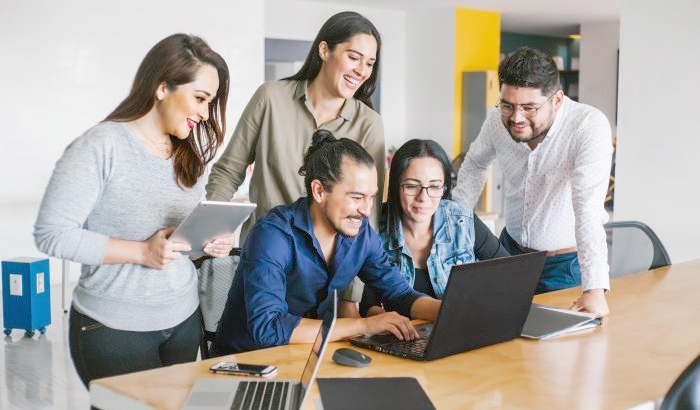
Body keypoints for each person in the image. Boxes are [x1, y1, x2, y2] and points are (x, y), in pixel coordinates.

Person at [33, 34, 232, 387]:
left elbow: (182, 246)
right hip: (112, 330)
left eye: (210, 102)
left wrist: (211, 242)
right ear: (161, 88)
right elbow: (52, 235)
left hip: (184, 321)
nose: (204, 114)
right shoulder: (100, 146)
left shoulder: (187, 156)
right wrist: (142, 252)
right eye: (200, 99)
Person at [205, 11, 386, 305]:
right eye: (354, 57)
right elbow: (228, 171)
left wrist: (350, 299)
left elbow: (366, 215)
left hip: (326, 280)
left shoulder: (368, 124)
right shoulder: (271, 98)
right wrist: (215, 228)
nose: (362, 71)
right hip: (263, 264)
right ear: (324, 49)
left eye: (370, 63)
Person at [212, 130, 441, 355]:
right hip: (243, 362)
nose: (366, 210)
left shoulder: (361, 235)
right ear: (319, 191)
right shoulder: (272, 235)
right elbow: (268, 327)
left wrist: (451, 312)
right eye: (357, 197)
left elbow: (399, 293)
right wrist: (363, 326)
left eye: (371, 197)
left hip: (306, 357)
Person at [452, 47, 613, 316]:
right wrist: (453, 225)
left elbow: (587, 208)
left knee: (554, 354)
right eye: (508, 105)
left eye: (529, 108)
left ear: (557, 100)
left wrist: (594, 289)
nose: (516, 118)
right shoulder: (496, 120)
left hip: (564, 265)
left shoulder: (587, 126)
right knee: (495, 337)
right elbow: (475, 164)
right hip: (509, 253)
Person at [360, 139, 510, 316]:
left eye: (434, 186)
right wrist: (389, 322)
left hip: (459, 328)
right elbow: (368, 305)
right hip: (401, 337)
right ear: (396, 186)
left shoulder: (461, 220)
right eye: (412, 186)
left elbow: (509, 274)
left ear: (444, 188)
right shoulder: (374, 228)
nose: (423, 197)